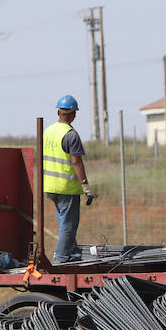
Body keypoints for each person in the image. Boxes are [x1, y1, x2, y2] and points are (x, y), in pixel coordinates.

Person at [42, 95, 96, 264]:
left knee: (64, 222)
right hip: (66, 187)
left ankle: (71, 252)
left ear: (58, 112)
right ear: (73, 115)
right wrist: (86, 186)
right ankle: (62, 257)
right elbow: (76, 161)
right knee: (69, 225)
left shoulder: (48, 131)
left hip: (50, 186)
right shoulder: (71, 135)